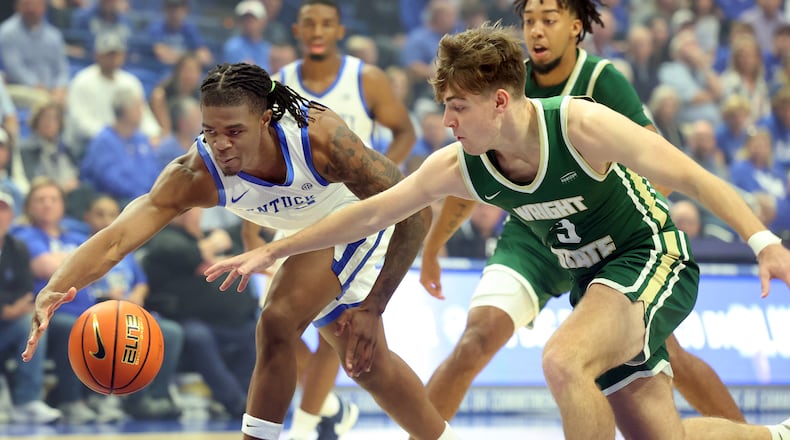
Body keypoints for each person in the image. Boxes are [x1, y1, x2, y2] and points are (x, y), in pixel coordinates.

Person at [203, 23, 790, 440]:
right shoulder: (460, 163)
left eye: (457, 107)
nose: (446, 120)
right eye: (444, 106)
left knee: (563, 360)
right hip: (591, 276)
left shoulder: (580, 124)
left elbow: (693, 177)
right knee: (660, 436)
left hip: (649, 254)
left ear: (501, 102)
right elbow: (371, 213)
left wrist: (763, 242)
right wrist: (277, 249)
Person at [21, 62, 459, 440]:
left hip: (357, 216)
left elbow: (413, 213)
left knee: (277, 319)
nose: (222, 144)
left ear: (266, 119)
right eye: (210, 131)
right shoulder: (197, 173)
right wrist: (55, 287)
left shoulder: (321, 139)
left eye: (234, 131)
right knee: (368, 365)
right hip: (302, 233)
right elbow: (117, 238)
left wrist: (374, 306)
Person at [418, 0, 744, 427]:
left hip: (603, 235)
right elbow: (470, 177)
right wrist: (433, 246)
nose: (536, 30)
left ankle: (747, 432)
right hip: (534, 237)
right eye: (528, 21)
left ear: (575, 27)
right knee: (476, 339)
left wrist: (616, 210)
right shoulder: (502, 85)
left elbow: (657, 162)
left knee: (669, 354)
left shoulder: (600, 80)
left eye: (548, 20)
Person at [248, 1, 418, 438]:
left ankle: (305, 426)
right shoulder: (278, 83)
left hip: (352, 214)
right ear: (296, 31)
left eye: (326, 23)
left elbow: (405, 130)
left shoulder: (366, 79)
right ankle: (328, 407)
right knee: (279, 325)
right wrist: (250, 230)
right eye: (310, 24)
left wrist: (384, 179)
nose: (318, 31)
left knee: (331, 321)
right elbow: (256, 159)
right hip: (295, 214)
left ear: (340, 30)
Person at [0, 190, 62, 424]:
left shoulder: (17, 247)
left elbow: (25, 291)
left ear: (11, 216)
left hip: (8, 325)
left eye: (3, 209)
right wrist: (3, 308)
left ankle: (27, 402)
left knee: (34, 322)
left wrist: (9, 308)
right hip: (5, 316)